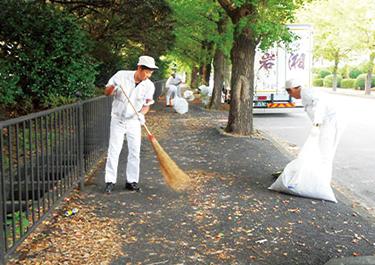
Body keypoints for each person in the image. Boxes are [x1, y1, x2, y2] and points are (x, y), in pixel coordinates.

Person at [103, 55, 158, 194]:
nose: (148, 75)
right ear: (139, 68)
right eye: (147, 72)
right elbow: (107, 93)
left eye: (151, 73)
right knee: (114, 150)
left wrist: (142, 114)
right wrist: (112, 88)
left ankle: (131, 181)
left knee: (134, 152)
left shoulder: (149, 85)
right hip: (118, 119)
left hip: (134, 121)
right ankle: (110, 181)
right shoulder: (121, 76)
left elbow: (146, 105)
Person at [273, 78, 346, 181]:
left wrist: (316, 125)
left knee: (325, 151)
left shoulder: (307, 93)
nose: (290, 95)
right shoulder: (305, 95)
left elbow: (319, 105)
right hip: (327, 123)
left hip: (331, 122)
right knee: (320, 149)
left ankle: (322, 180)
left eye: (288, 92)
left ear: (291, 90)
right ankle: (316, 176)